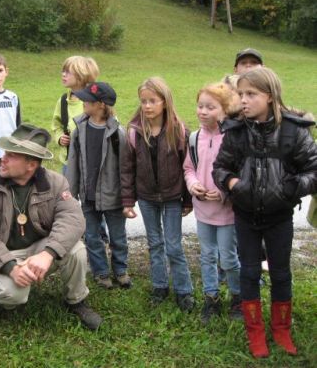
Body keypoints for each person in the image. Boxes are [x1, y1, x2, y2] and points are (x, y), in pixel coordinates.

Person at [213, 67, 317, 358]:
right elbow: (220, 168)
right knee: (248, 273)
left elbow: (314, 170)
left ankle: (282, 329)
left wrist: (293, 186)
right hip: (245, 216)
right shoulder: (236, 132)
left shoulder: (293, 132)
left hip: (279, 217)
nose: (243, 100)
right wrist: (234, 184)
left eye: (251, 94)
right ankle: (255, 331)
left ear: (270, 97)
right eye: (241, 94)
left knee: (281, 274)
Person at [0, 123, 103, 330]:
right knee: (10, 295)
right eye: (5, 152)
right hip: (6, 253)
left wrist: (48, 254)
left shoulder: (56, 182)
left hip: (40, 248)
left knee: (76, 250)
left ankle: (76, 300)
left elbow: (73, 219)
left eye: (11, 155)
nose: (2, 158)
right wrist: (11, 267)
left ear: (31, 165)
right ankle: (5, 291)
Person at [121, 77, 195, 312]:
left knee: (173, 246)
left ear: (165, 101)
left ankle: (184, 290)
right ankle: (160, 286)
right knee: (154, 244)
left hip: (173, 196)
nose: (147, 106)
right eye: (143, 101)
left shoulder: (179, 131)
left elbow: (188, 167)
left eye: (153, 101)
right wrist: (127, 200)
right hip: (146, 197)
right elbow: (127, 168)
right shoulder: (133, 132)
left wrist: (188, 199)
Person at [183, 82, 242, 324]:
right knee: (207, 255)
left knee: (228, 258)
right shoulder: (195, 138)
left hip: (226, 212)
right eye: (200, 106)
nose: (203, 111)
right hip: (202, 210)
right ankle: (211, 298)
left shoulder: (233, 139)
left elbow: (241, 174)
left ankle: (238, 297)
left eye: (210, 107)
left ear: (225, 110)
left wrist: (225, 192)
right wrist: (193, 185)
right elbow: (189, 168)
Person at [66, 82, 131, 290]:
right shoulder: (79, 129)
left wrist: (127, 199)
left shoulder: (117, 134)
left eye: (87, 99)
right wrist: (71, 192)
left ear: (101, 105)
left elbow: (126, 169)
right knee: (92, 237)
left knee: (118, 237)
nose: (83, 102)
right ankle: (101, 272)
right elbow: (73, 163)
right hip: (88, 196)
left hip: (113, 197)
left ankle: (120, 270)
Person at [51, 55, 100, 174]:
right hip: (68, 162)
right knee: (69, 192)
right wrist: (60, 137)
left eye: (68, 72)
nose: (63, 74)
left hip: (91, 162)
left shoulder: (95, 100)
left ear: (81, 75)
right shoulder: (63, 101)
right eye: (63, 71)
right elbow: (56, 125)